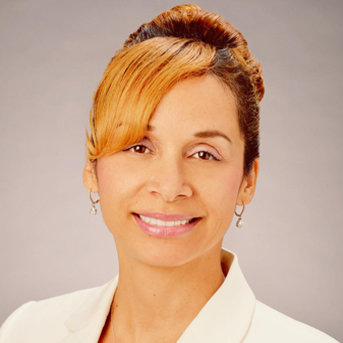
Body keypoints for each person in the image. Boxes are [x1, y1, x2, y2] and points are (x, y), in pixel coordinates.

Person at [0, 4, 339, 343]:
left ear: (248, 181)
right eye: (139, 147)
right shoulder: (26, 330)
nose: (169, 186)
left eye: (204, 154)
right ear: (92, 166)